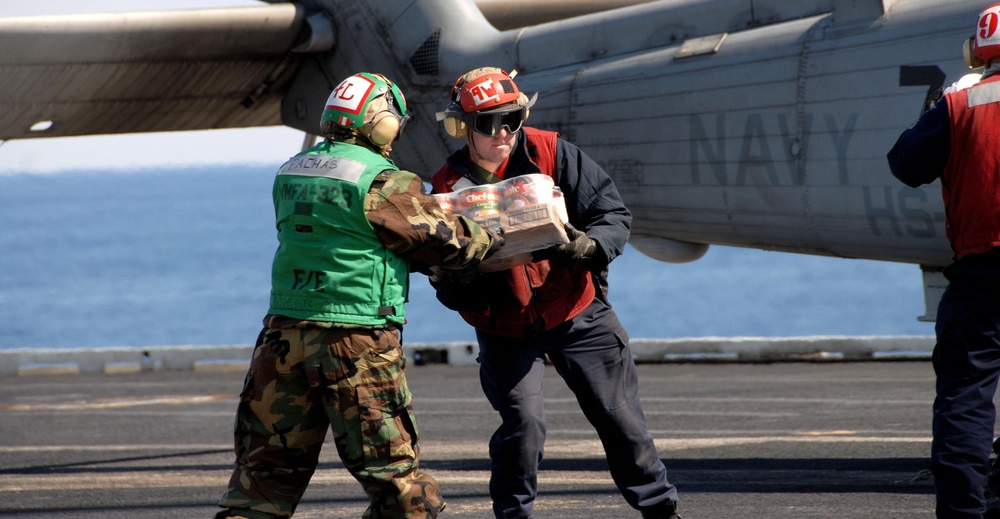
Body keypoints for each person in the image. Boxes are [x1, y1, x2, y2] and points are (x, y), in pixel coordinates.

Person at [214, 72, 501, 519]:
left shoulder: (291, 169)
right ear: (380, 122)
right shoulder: (381, 180)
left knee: (261, 484)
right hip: (356, 343)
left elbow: (343, 235)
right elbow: (444, 239)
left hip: (281, 338)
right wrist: (489, 236)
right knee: (401, 487)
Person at [429, 67, 682, 519]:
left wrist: (590, 246)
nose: (504, 132)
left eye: (514, 119)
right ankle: (513, 515)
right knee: (523, 425)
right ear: (463, 127)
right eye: (490, 123)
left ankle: (661, 510)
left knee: (621, 421)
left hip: (577, 311)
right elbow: (448, 289)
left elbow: (612, 213)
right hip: (504, 325)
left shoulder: (552, 152)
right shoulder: (448, 188)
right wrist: (457, 275)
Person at [888, 3, 1000, 519]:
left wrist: (940, 107)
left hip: (982, 273)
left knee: (966, 397)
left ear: (977, 51)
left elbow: (906, 165)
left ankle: (963, 513)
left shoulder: (961, 103)